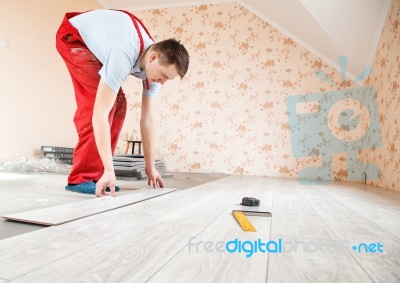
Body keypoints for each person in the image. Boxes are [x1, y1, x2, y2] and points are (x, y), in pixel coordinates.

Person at [55, 9, 189, 197]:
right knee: (101, 103)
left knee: (119, 105)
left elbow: (148, 120)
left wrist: (149, 167)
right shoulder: (123, 53)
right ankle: (82, 177)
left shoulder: (155, 71)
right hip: (73, 37)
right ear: (153, 58)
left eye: (168, 79)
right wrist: (111, 170)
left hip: (99, 42)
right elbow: (100, 113)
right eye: (164, 76)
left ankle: (99, 174)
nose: (162, 82)